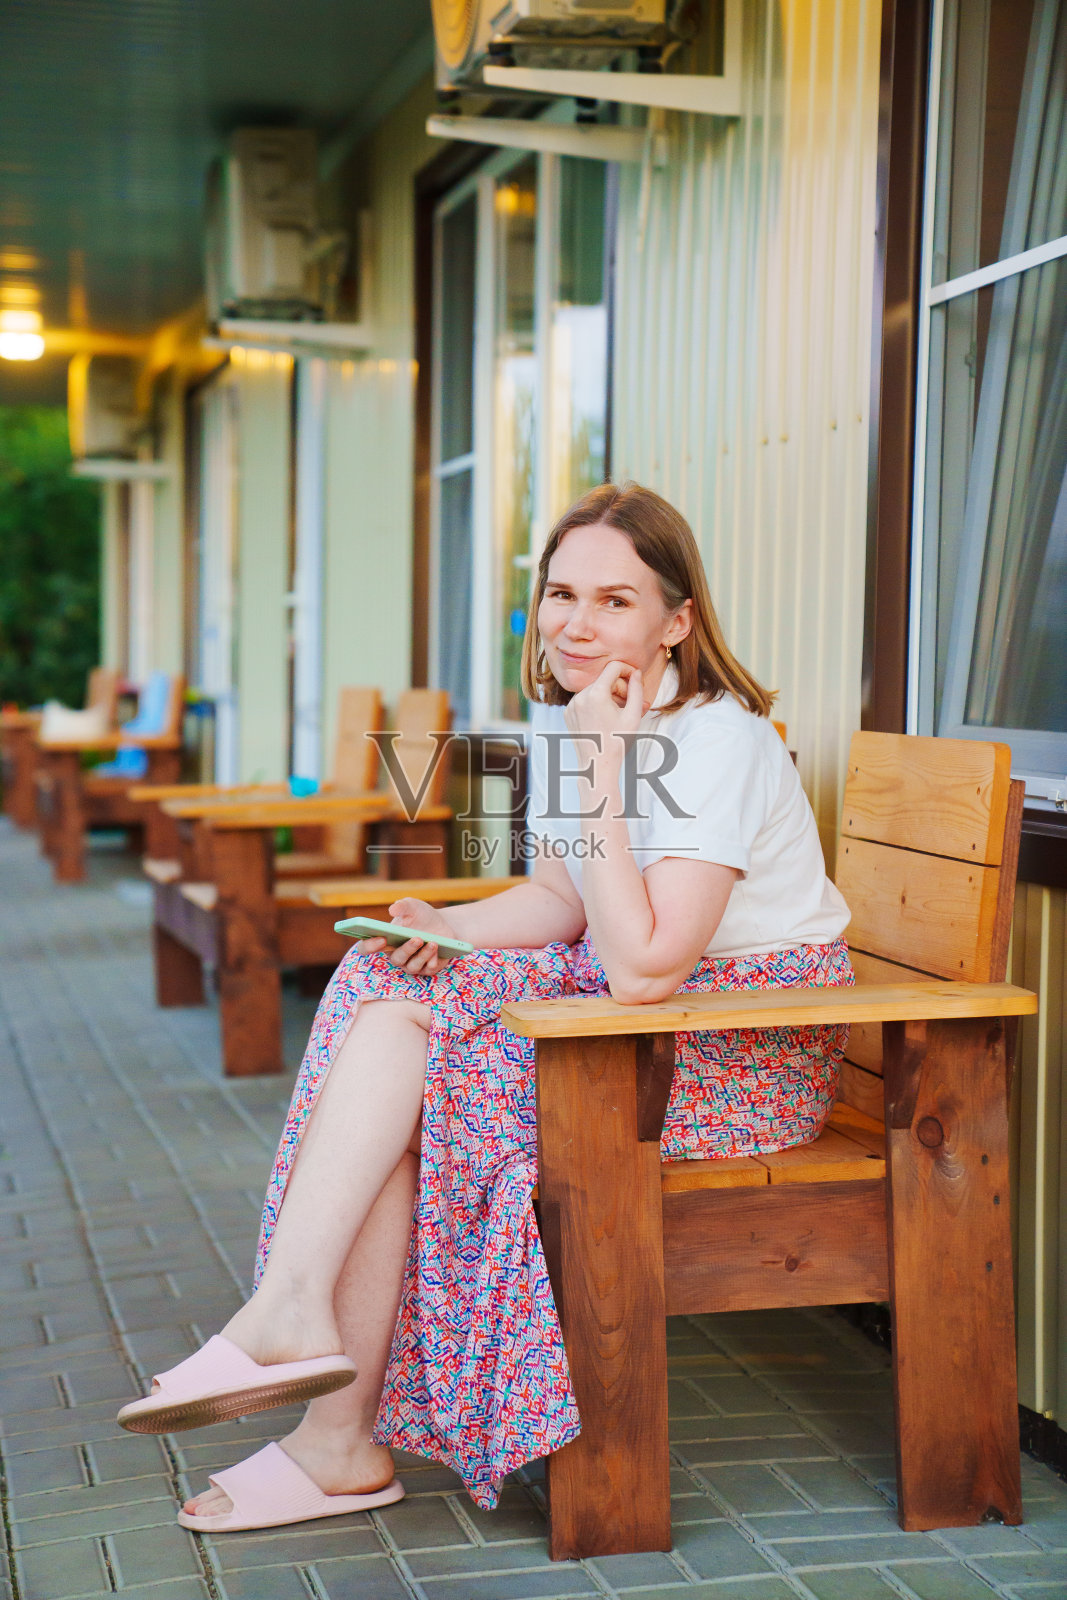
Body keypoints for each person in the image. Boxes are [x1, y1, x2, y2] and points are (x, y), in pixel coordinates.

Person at [116, 482, 852, 1532]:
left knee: (423, 1066)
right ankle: (308, 1352)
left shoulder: (716, 741)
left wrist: (600, 766)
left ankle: (327, 1415)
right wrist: (452, 922)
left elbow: (645, 965)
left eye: (614, 600)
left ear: (676, 621)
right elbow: (561, 900)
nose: (578, 625)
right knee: (386, 986)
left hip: (732, 1049)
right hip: (631, 1023)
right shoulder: (576, 721)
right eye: (560, 594)